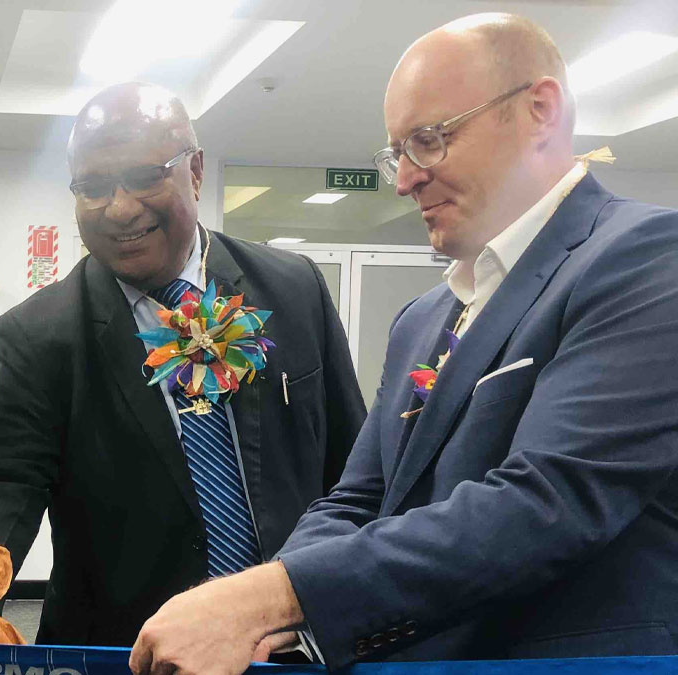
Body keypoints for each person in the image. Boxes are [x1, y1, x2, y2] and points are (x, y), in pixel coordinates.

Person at [130, 13, 678, 675]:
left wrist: (269, 596)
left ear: (539, 110)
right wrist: (269, 621)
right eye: (398, 152)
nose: (404, 179)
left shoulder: (645, 259)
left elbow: (547, 502)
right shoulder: (423, 319)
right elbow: (359, 498)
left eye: (429, 140)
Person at [0, 82, 365, 651]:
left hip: (295, 642)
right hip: (128, 649)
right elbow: (5, 478)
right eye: (93, 187)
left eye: (146, 177)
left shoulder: (293, 288)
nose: (120, 208)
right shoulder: (42, 333)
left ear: (195, 171)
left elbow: (354, 466)